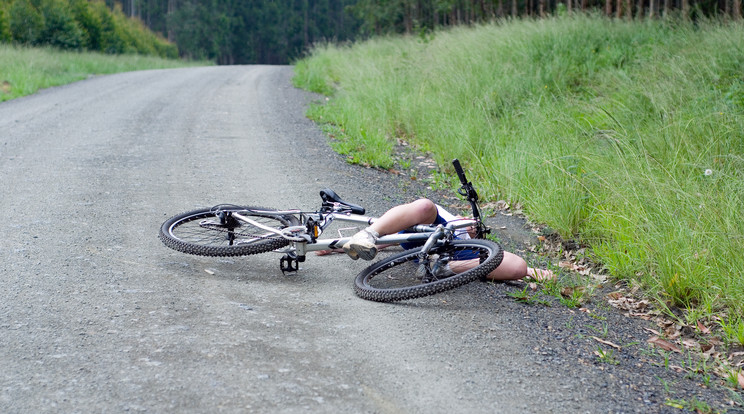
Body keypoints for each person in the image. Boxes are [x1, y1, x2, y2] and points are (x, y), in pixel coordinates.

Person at [337, 198, 555, 281]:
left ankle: (442, 267)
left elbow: (515, 266)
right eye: (469, 221)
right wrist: (337, 245)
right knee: (425, 206)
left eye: (476, 226)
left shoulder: (477, 243)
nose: (472, 224)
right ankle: (367, 234)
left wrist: (530, 272)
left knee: (518, 266)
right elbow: (389, 240)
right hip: (428, 227)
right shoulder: (444, 215)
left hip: (459, 254)